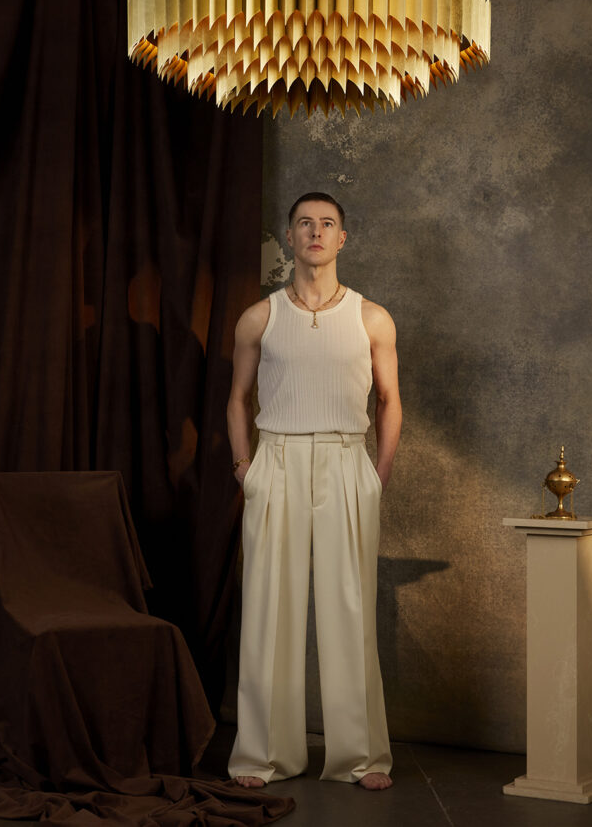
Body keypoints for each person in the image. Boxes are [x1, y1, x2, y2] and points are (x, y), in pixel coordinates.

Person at [226, 192, 401, 792]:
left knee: (349, 610)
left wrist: (376, 476)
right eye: (305, 224)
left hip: (348, 462)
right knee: (268, 609)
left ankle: (360, 759)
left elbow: (390, 402)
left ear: (343, 238)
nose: (316, 233)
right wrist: (244, 466)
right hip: (274, 459)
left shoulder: (372, 318)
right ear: (291, 236)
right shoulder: (260, 316)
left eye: (328, 224)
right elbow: (236, 400)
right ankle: (264, 756)